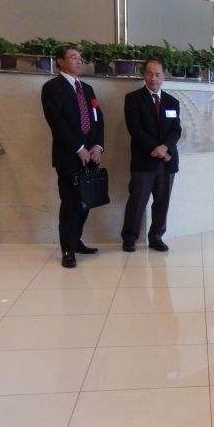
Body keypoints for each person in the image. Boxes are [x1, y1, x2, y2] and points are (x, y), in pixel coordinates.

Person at [41, 44, 105, 269]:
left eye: (80, 58)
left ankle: (76, 241)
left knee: (85, 203)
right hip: (69, 157)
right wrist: (79, 148)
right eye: (73, 57)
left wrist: (97, 146)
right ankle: (67, 250)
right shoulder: (52, 88)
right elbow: (57, 123)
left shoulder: (87, 89)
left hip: (91, 156)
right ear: (60, 61)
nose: (79, 61)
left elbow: (98, 119)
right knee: (70, 204)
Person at [120, 58, 182, 252]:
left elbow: (176, 130)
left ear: (163, 77)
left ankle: (156, 237)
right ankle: (129, 238)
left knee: (162, 202)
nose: (153, 78)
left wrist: (165, 147)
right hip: (143, 160)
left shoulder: (172, 101)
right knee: (137, 201)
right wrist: (156, 148)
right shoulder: (133, 99)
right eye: (149, 73)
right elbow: (135, 129)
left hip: (167, 162)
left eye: (157, 74)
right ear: (144, 75)